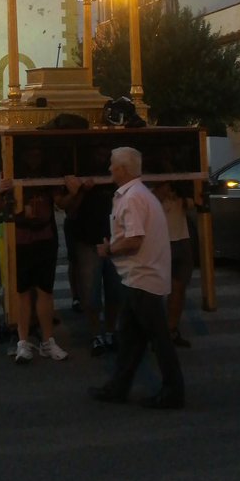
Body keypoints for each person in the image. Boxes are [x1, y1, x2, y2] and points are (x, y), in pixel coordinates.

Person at [89, 146, 185, 408]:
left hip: (143, 278)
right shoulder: (139, 194)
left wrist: (109, 250)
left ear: (122, 169)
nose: (109, 168)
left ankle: (173, 391)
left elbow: (134, 239)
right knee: (132, 338)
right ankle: (119, 387)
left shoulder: (132, 198)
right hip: (140, 277)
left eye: (112, 164)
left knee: (158, 338)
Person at [0, 144, 70, 364]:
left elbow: (61, 202)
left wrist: (75, 190)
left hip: (45, 237)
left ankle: (48, 341)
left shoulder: (49, 174)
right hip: (20, 239)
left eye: (38, 154)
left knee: (45, 290)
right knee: (23, 291)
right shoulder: (10, 171)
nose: (35, 158)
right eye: (30, 153)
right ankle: (23, 341)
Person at [63, 175, 120, 355]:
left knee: (114, 290)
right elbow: (70, 212)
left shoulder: (116, 178)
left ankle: (110, 331)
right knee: (90, 292)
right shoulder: (79, 171)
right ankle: (96, 334)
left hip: (113, 237)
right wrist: (81, 191)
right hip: (87, 239)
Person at [152, 181, 194, 347]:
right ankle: (157, 333)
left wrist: (181, 196)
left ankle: (171, 329)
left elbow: (194, 201)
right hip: (159, 240)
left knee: (179, 288)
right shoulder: (148, 184)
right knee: (154, 291)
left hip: (180, 238)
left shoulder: (181, 183)